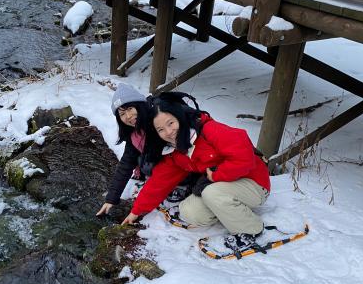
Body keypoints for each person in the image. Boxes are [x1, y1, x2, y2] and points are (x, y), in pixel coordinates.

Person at [122, 93, 271, 246]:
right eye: (160, 129)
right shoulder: (175, 151)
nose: (168, 132)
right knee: (189, 211)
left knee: (211, 192)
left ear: (180, 117)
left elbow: (244, 157)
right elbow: (159, 182)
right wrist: (136, 211)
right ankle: (230, 212)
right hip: (224, 187)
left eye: (171, 123)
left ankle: (251, 230)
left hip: (254, 183)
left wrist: (216, 176)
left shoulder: (209, 130)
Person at [96, 83, 151, 216]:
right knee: (140, 160)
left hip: (184, 169)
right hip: (165, 172)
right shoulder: (135, 135)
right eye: (122, 113)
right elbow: (125, 165)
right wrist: (111, 199)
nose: (128, 116)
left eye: (130, 108)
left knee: (147, 164)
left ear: (139, 105)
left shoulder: (159, 121)